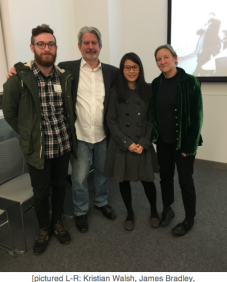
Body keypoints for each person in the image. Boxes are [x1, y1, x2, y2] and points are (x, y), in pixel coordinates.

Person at [6, 26, 119, 233]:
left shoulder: (111, 72)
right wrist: (15, 71)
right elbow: (37, 67)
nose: (90, 47)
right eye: (86, 43)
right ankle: (80, 211)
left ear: (100, 46)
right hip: (79, 136)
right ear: (79, 46)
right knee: (79, 178)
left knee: (103, 173)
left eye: (94, 43)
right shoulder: (68, 69)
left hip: (102, 135)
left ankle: (101, 202)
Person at [3, 24, 77, 254]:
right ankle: (44, 228)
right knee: (41, 191)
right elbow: (10, 113)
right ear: (32, 47)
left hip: (62, 144)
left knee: (59, 186)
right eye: (41, 44)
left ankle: (57, 222)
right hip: (38, 150)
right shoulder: (19, 79)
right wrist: (28, 134)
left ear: (56, 47)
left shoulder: (64, 77)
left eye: (50, 44)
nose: (46, 48)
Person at [151, 44, 203, 236]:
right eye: (158, 59)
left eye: (166, 57)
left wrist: (189, 147)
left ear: (175, 58)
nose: (162, 61)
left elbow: (197, 117)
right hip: (163, 143)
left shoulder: (190, 82)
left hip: (184, 144)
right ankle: (167, 208)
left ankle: (189, 218)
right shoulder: (156, 84)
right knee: (165, 178)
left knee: (185, 181)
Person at [104, 52, 159, 231]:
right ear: (122, 70)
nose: (131, 71)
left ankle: (153, 211)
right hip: (123, 145)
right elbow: (111, 120)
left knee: (148, 181)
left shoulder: (148, 90)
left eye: (135, 67)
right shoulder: (115, 90)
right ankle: (130, 213)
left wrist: (143, 142)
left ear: (140, 69)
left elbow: (152, 120)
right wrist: (127, 143)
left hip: (142, 144)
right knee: (124, 181)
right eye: (127, 67)